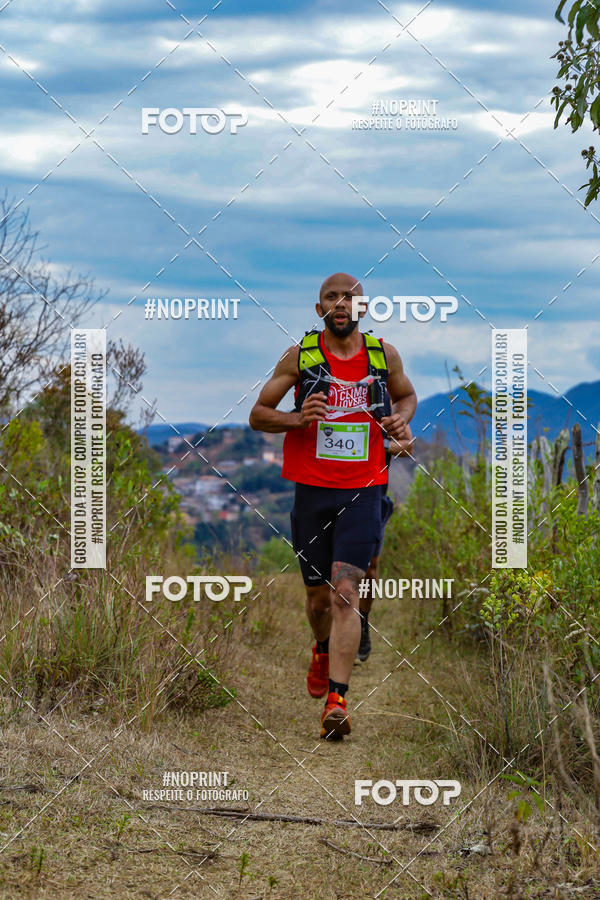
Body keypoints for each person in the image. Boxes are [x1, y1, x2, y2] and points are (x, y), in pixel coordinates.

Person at [249, 272, 417, 739]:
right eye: (332, 297)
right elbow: (257, 414)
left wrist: (400, 423)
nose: (341, 304)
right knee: (318, 599)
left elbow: (405, 396)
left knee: (346, 592)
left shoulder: (384, 355)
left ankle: (337, 700)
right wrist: (296, 418)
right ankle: (321, 648)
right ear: (319, 308)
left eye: (351, 298)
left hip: (365, 487)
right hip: (313, 490)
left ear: (363, 309)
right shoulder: (301, 356)